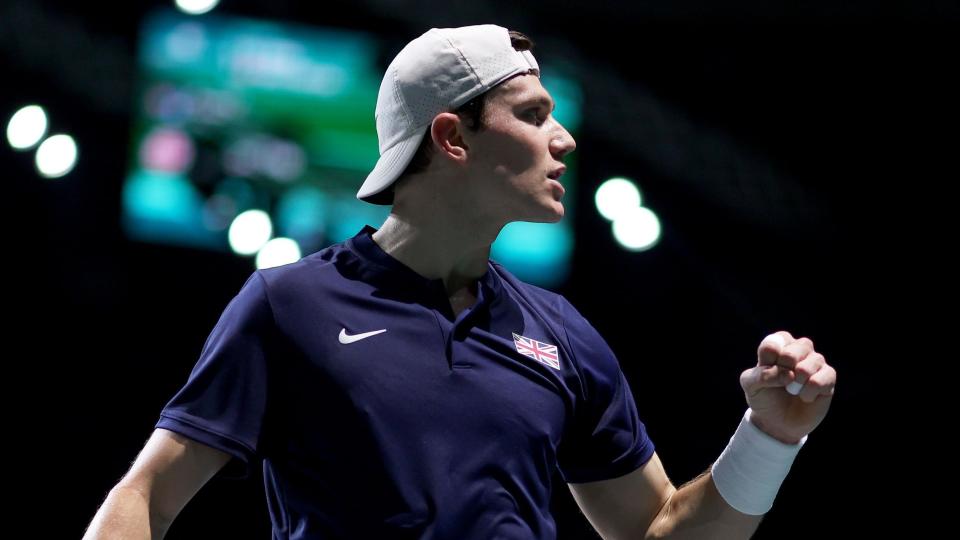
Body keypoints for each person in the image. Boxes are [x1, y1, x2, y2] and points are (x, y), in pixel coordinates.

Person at [84, 24, 837, 539]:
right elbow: (145, 496)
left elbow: (655, 532)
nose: (564, 137)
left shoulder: (563, 335)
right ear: (451, 137)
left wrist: (770, 436)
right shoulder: (290, 305)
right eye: (534, 113)